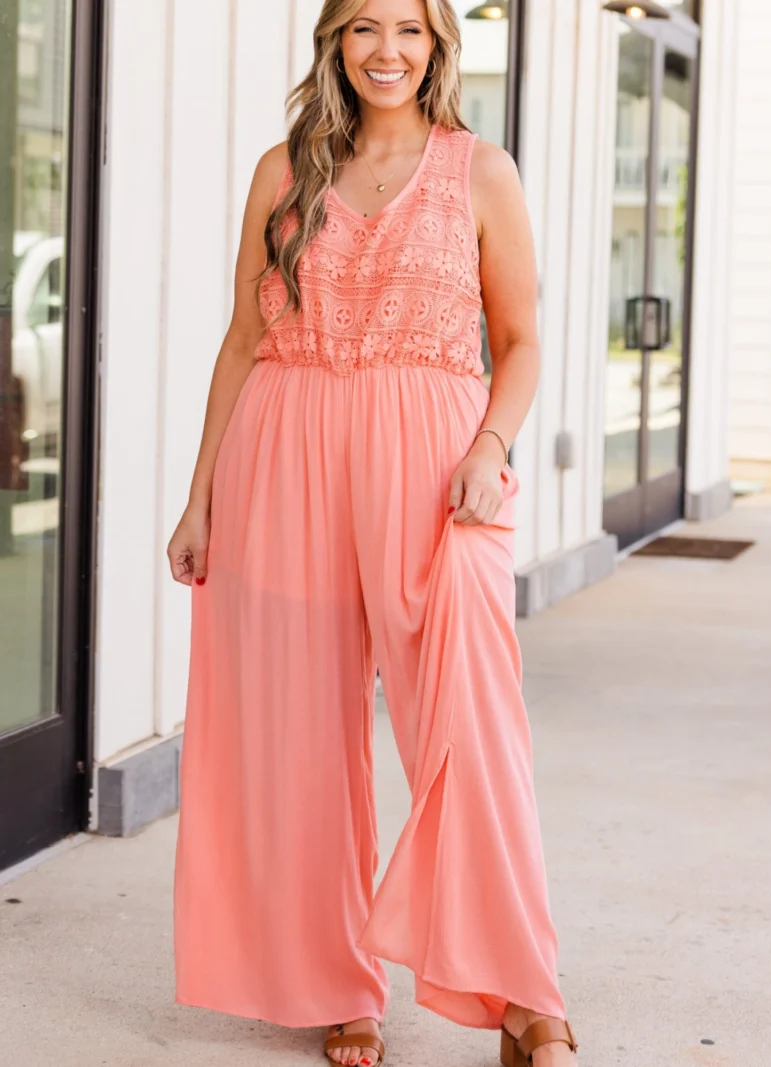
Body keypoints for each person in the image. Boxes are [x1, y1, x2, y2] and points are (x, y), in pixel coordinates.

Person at [167, 1, 579, 1064]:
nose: (385, 50)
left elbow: (520, 339)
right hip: (284, 451)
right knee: (298, 730)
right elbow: (243, 338)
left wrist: (490, 447)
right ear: (334, 45)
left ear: (437, 45)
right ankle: (336, 980)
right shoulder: (283, 171)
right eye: (362, 28)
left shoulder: (480, 171)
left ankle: (522, 990)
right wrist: (200, 495)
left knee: (471, 723)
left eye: (408, 29)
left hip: (437, 465)